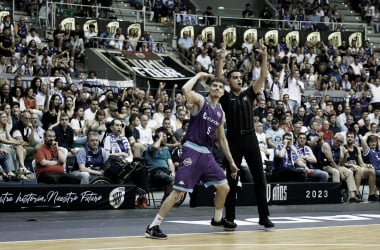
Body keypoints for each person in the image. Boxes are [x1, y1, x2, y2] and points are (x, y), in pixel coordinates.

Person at [145, 72, 238, 239]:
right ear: (209, 89)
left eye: (220, 87)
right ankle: (153, 226)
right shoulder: (200, 101)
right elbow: (185, 89)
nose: (217, 88)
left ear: (223, 92)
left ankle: (217, 220)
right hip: (192, 149)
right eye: (214, 86)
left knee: (224, 187)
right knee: (178, 192)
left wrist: (231, 161)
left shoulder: (220, 113)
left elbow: (222, 140)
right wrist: (199, 75)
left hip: (207, 154)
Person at [216, 39, 274, 229]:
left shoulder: (249, 93)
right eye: (234, 77)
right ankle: (230, 218)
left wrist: (264, 56)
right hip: (233, 139)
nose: (238, 79)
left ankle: (264, 216)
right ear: (229, 80)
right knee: (232, 180)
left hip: (250, 138)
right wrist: (221, 60)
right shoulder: (225, 97)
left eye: (240, 77)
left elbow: (263, 76)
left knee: (260, 178)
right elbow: (217, 79)